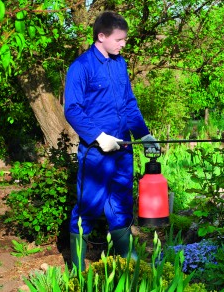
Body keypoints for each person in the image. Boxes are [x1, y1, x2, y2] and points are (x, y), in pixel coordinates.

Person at [64, 11, 159, 272]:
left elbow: (129, 104)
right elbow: (72, 109)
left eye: (125, 40)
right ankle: (77, 271)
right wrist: (98, 137)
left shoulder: (120, 64)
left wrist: (144, 134)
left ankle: (128, 262)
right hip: (96, 153)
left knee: (121, 205)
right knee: (88, 208)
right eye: (119, 39)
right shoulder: (81, 67)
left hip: (123, 149)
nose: (123, 44)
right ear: (101, 36)